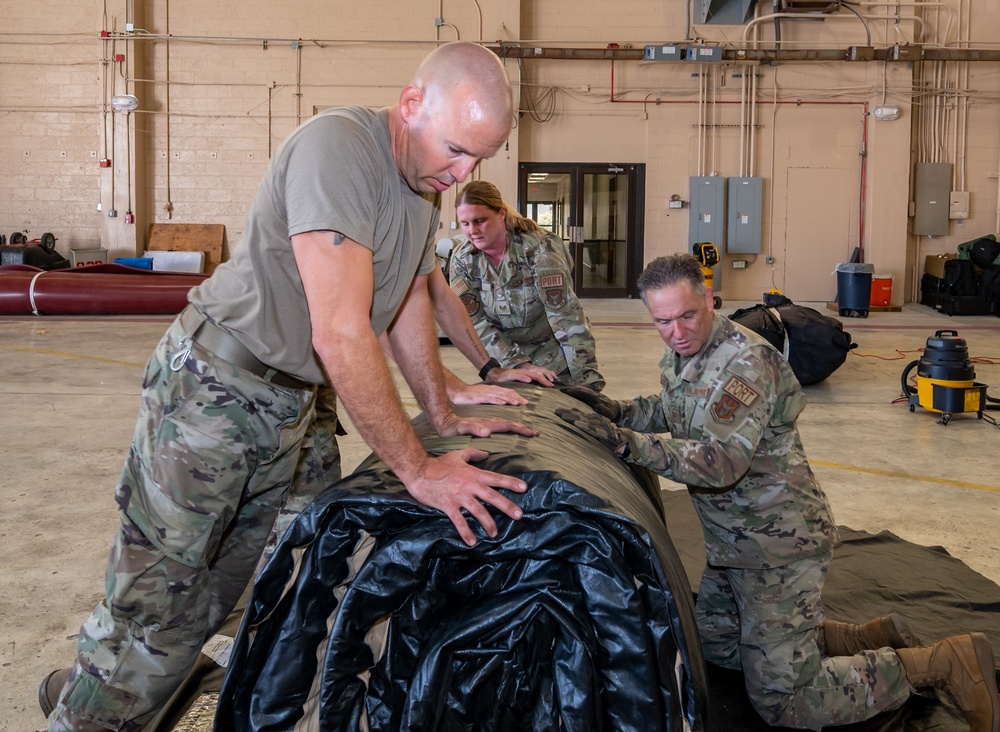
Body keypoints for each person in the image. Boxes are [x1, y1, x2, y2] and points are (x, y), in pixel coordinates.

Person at [40, 41, 541, 731]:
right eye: (458, 151)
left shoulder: (425, 188)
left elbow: (406, 300)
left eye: (480, 159)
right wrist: (419, 469)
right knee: (158, 607)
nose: (464, 174)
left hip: (296, 408)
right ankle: (84, 711)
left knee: (303, 581)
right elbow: (341, 332)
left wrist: (442, 401)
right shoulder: (338, 150)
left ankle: (131, 694)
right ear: (411, 105)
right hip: (214, 394)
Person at [557, 253, 999, 731]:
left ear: (709, 299)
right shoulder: (690, 349)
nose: (676, 331)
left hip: (781, 546)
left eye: (687, 315)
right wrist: (618, 411)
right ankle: (860, 638)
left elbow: (722, 462)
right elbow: (675, 407)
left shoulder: (745, 363)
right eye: (662, 321)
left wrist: (628, 444)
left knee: (784, 703)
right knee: (718, 651)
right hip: (734, 545)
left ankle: (939, 663)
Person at [447, 180, 605, 391]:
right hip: (504, 358)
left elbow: (566, 318)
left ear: (501, 214)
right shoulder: (463, 260)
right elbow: (476, 323)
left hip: (554, 356)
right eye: (465, 224)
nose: (472, 231)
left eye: (480, 221)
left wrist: (586, 381)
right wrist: (518, 365)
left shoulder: (540, 251)